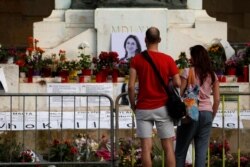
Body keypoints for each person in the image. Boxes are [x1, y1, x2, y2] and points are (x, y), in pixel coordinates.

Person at [128, 27, 181, 167]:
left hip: (143, 107)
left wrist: (133, 104)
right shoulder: (168, 59)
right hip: (163, 107)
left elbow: (131, 86)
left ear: (145, 40)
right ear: (159, 40)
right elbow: (177, 82)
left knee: (146, 148)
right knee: (168, 147)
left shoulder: (136, 60)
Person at [175, 45, 220, 167]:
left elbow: (180, 94)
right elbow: (217, 100)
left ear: (196, 57)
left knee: (180, 152)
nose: (190, 59)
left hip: (191, 114)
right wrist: (212, 115)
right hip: (207, 114)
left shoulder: (187, 72)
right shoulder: (212, 75)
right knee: (201, 154)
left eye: (192, 56)